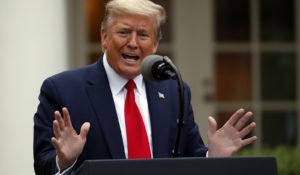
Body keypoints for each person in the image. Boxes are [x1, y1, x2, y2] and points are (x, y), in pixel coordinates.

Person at [33, 0, 257, 174]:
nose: (133, 42)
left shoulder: (173, 91)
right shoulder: (62, 90)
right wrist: (64, 160)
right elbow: (43, 166)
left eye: (143, 35)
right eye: (123, 32)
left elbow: (187, 157)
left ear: (155, 44)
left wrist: (212, 157)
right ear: (104, 37)